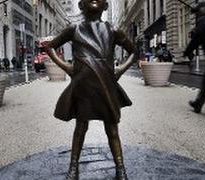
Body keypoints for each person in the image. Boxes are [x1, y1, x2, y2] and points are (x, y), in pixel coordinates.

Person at [43, 0, 136, 179]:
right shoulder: (74, 29)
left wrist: (120, 69)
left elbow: (133, 51)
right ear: (81, 5)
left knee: (112, 129)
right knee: (80, 127)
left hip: (106, 86)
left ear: (106, 6)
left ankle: (120, 168)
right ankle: (73, 167)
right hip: (83, 86)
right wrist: (68, 68)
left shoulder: (113, 30)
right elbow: (50, 47)